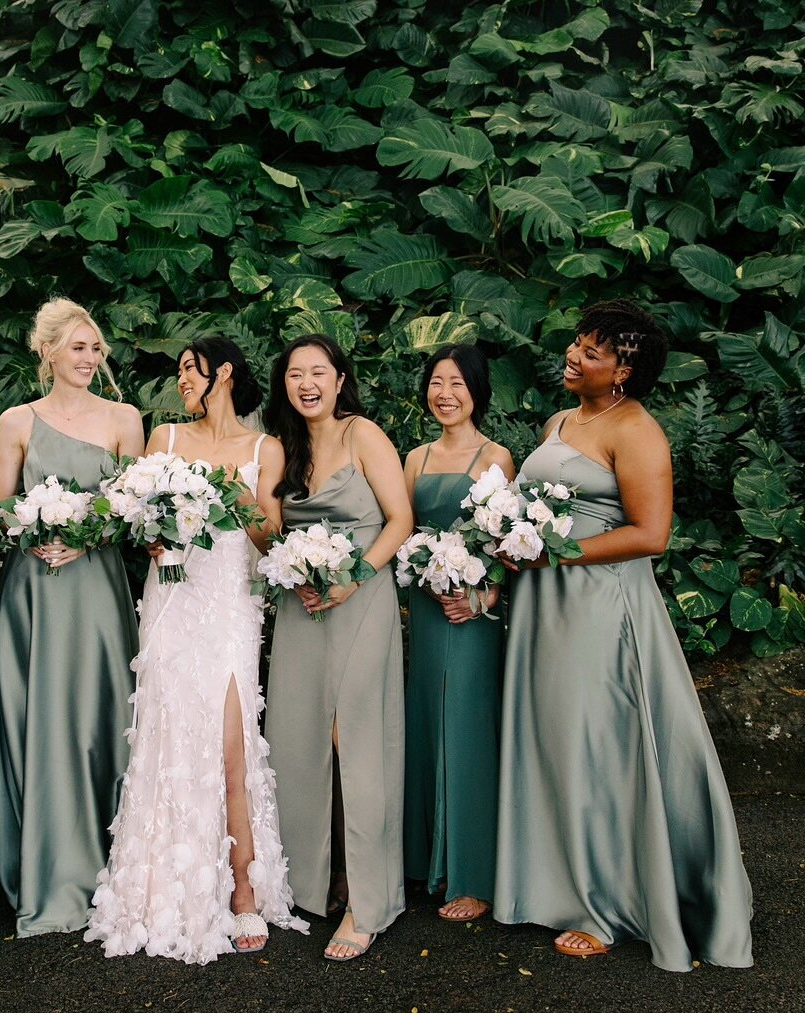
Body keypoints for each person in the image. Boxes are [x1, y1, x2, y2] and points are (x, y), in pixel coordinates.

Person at [494, 299, 753, 971]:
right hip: (543, 604)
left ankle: (605, 905)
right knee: (553, 736)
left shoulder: (637, 430)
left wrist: (556, 554)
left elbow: (651, 534)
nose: (573, 356)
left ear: (623, 373)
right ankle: (553, 882)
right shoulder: (560, 419)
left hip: (600, 606)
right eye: (577, 343)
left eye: (591, 352)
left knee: (598, 742)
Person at [85, 336, 308, 964]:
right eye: (180, 369)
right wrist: (152, 536)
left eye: (191, 369)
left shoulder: (266, 448)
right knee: (167, 736)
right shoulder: (165, 441)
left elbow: (271, 540)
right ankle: (160, 889)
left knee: (231, 746)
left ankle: (242, 892)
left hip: (231, 606)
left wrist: (237, 501)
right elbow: (138, 518)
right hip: (172, 602)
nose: (181, 379)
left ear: (224, 374)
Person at [0, 298, 144, 938]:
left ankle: (110, 864)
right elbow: (4, 509)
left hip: (96, 588)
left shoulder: (125, 420)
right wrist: (35, 529)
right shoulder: (16, 420)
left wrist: (89, 534)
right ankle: (44, 867)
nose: (89, 358)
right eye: (77, 347)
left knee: (97, 713)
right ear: (45, 351)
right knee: (42, 714)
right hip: (35, 591)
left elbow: (135, 510)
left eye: (96, 348)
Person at [263, 333, 413, 961]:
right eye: (295, 374)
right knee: (298, 740)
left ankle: (368, 902)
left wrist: (355, 578)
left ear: (340, 378)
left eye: (318, 372)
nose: (307, 384)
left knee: (354, 740)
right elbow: (268, 531)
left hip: (362, 599)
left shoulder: (364, 434)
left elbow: (401, 520)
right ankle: (314, 880)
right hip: (304, 610)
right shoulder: (284, 448)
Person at [402, 345, 515, 922]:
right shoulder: (415, 458)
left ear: (476, 390)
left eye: (457, 383)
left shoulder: (497, 457)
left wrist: (482, 595)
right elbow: (402, 531)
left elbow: (508, 542)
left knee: (468, 726)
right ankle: (425, 861)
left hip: (471, 613)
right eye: (436, 382)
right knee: (424, 719)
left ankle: (473, 872)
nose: (445, 393)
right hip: (426, 607)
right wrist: (423, 572)